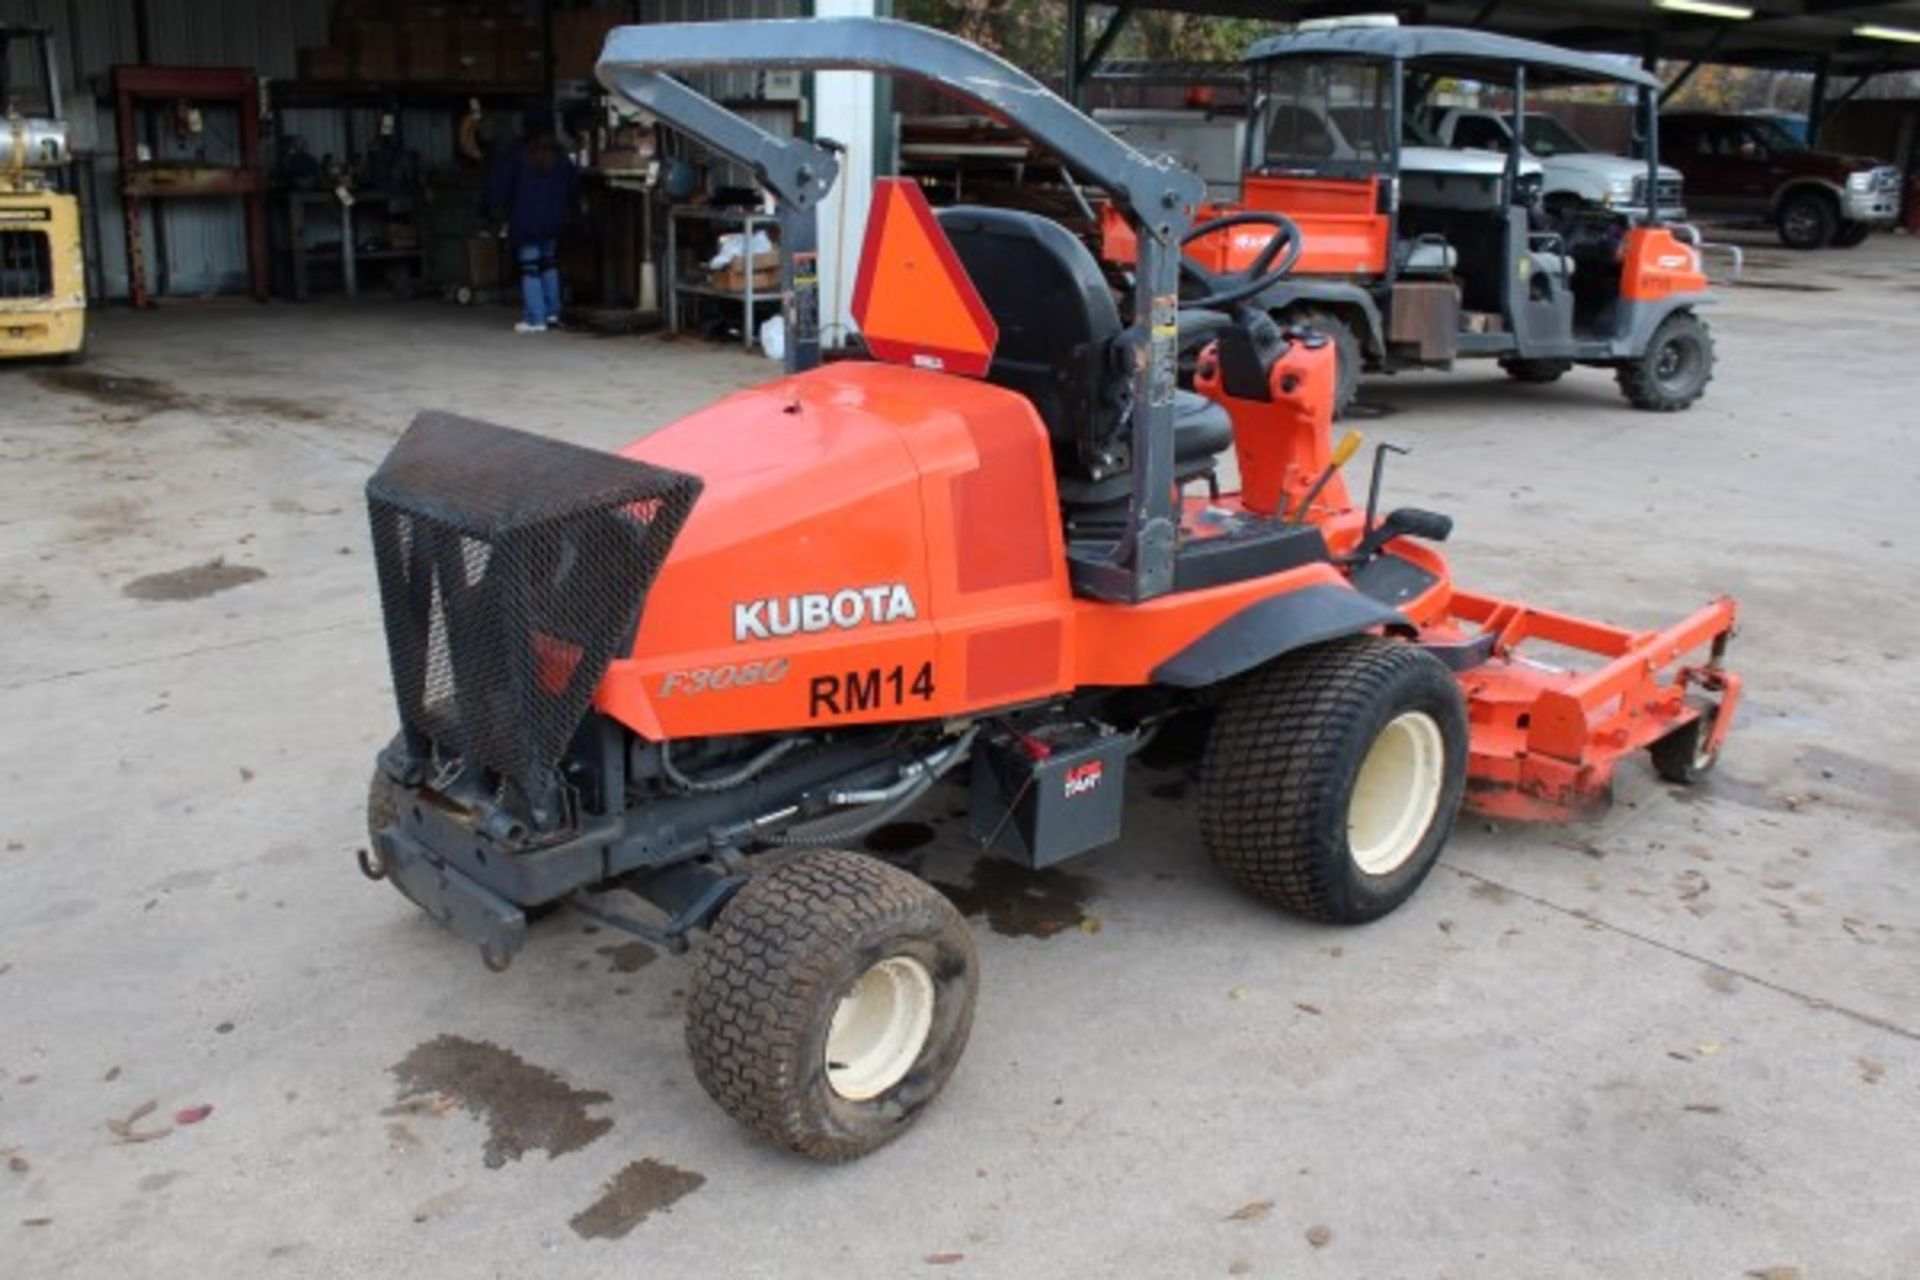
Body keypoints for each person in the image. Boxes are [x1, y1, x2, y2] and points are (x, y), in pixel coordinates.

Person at [485, 104, 579, 333]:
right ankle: (553, 313)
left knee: (530, 268)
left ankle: (535, 319)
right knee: (548, 263)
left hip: (526, 220)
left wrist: (491, 211)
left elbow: (500, 187)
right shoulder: (560, 156)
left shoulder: (518, 154)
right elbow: (573, 188)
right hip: (554, 221)